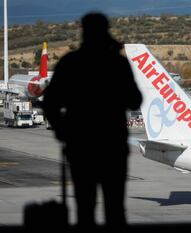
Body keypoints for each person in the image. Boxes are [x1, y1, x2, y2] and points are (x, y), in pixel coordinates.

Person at [43, 12, 142, 230]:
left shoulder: (70, 63)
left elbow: (49, 103)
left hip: (81, 147)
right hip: (112, 147)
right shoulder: (117, 63)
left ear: (83, 32)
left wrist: (63, 131)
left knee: (84, 208)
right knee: (115, 209)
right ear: (105, 30)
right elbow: (135, 101)